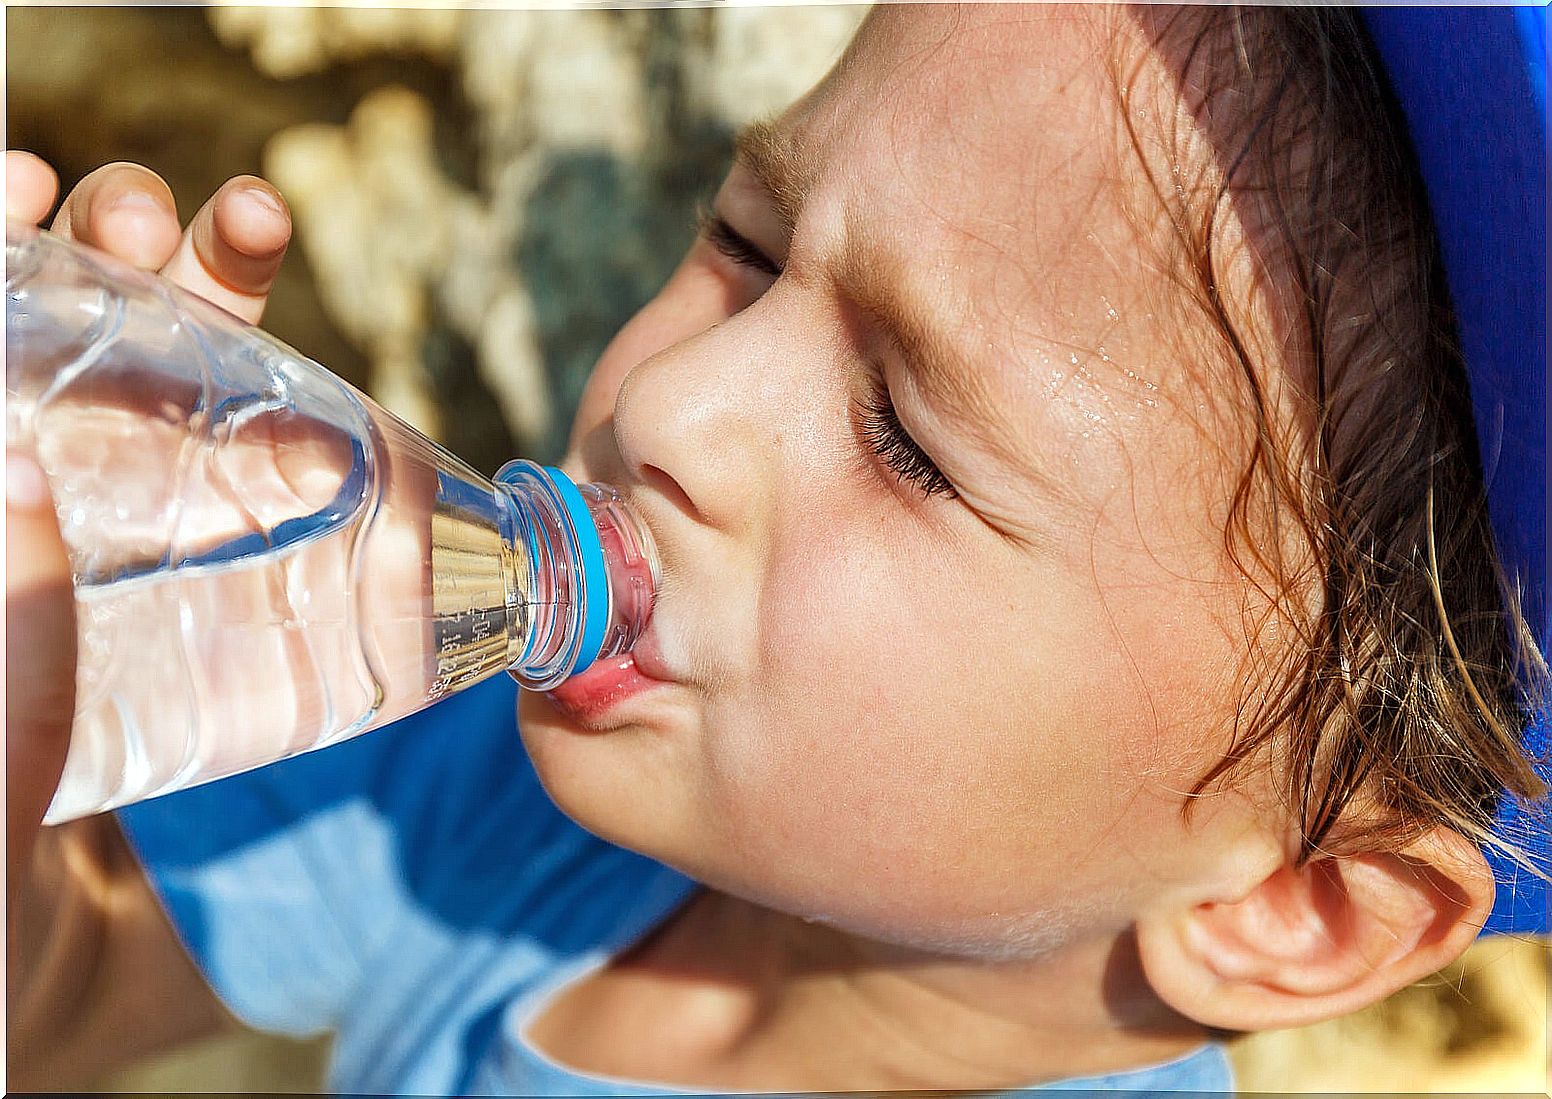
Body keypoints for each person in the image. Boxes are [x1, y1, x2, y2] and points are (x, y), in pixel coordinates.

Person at [6, 5, 1545, 1093]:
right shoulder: (538, 777)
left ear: (1290, 910)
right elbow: (52, 991)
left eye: (910, 444)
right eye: (747, 239)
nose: (670, 395)